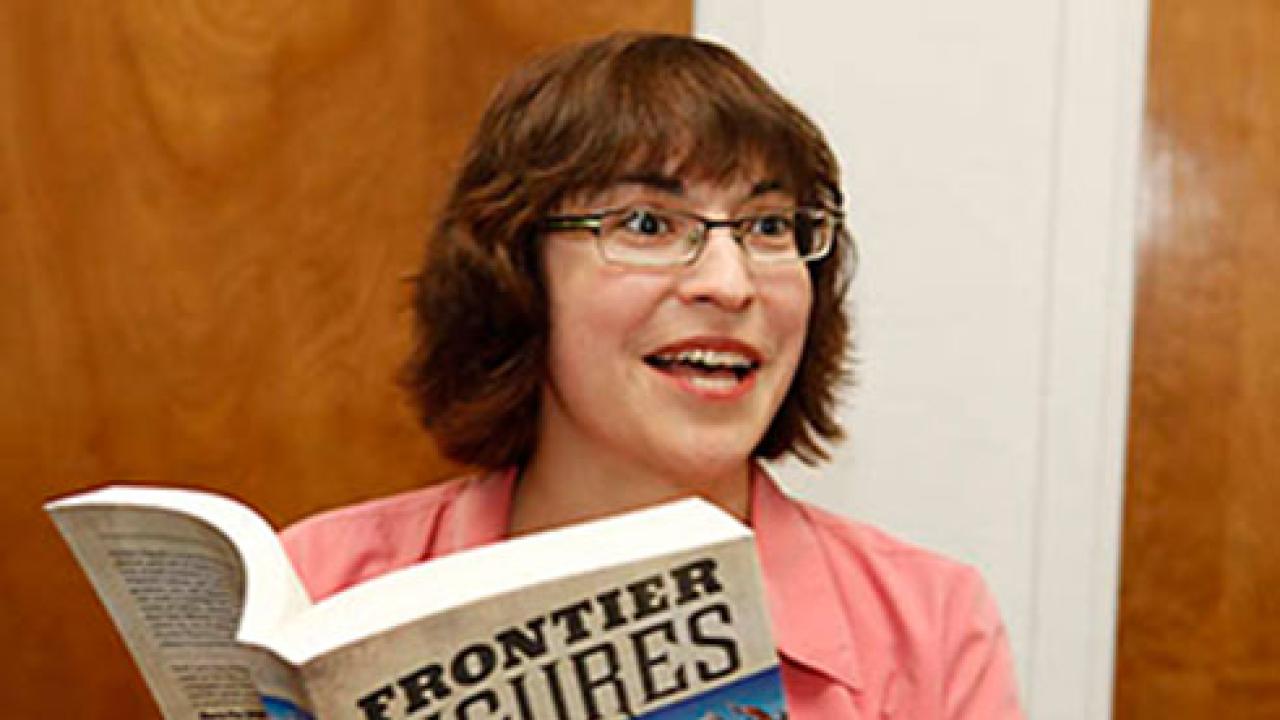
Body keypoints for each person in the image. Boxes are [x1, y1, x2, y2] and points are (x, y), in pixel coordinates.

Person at [281, 32, 1024, 718]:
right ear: (516, 274)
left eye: (769, 226)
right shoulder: (318, 585)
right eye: (647, 224)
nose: (731, 283)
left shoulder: (928, 623)